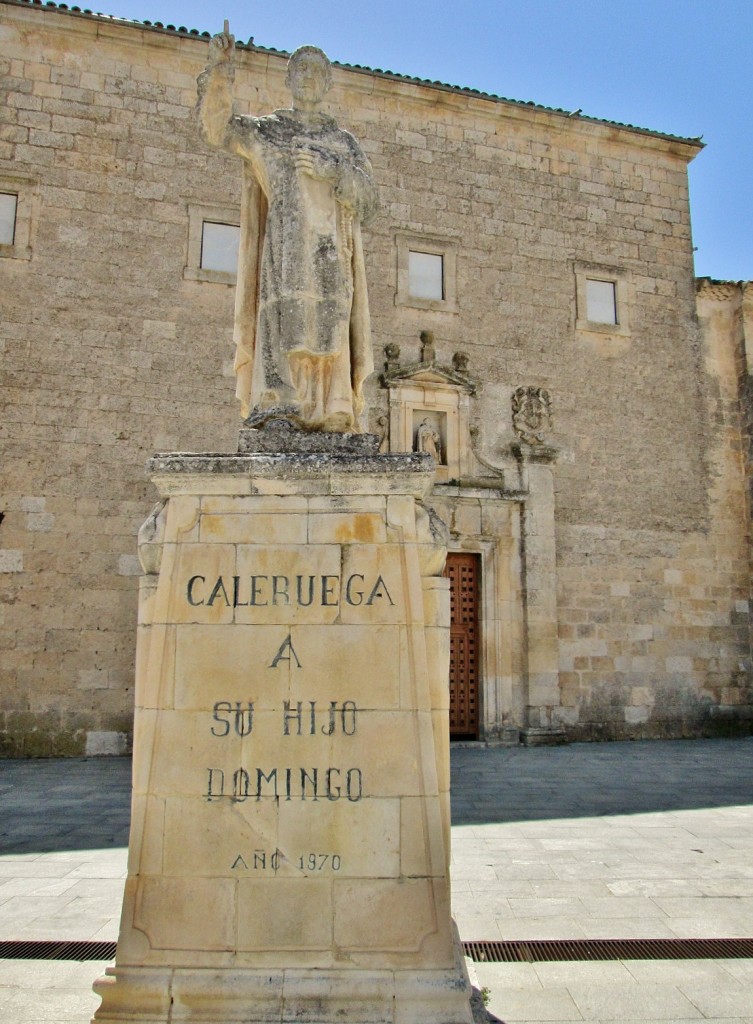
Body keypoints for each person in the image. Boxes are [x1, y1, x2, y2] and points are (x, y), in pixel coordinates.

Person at [197, 26, 379, 432]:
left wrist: (334, 171)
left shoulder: (341, 142)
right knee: (283, 323)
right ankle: (280, 405)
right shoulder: (270, 132)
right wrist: (220, 72)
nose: (310, 79)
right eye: (302, 71)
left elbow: (370, 201)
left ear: (328, 82)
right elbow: (219, 128)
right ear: (290, 80)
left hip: (332, 252)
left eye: (318, 72)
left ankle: (333, 409)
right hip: (284, 251)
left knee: (331, 325)